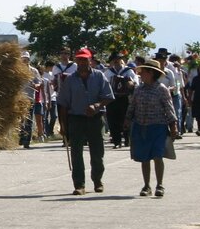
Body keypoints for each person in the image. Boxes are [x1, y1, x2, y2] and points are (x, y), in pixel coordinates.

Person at [57, 48, 114, 195]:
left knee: (97, 153)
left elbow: (108, 96)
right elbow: (63, 104)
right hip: (76, 119)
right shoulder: (70, 79)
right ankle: (79, 185)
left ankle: (97, 180)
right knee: (76, 153)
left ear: (90, 60)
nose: (82, 62)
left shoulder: (99, 76)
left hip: (95, 119)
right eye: (79, 59)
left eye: (85, 59)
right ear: (76, 61)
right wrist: (63, 126)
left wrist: (97, 105)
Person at [124, 59, 177, 197]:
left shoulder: (162, 89)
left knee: (158, 156)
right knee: (144, 158)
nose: (141, 74)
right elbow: (132, 106)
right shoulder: (138, 90)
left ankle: (159, 185)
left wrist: (173, 127)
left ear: (152, 73)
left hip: (158, 127)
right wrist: (127, 120)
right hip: (141, 127)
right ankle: (146, 186)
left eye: (144, 72)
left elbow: (169, 109)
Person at [104, 52, 136, 149]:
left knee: (126, 118)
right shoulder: (108, 72)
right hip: (112, 99)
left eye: (119, 59)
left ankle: (127, 139)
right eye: (115, 60)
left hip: (125, 98)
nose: (117, 61)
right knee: (112, 120)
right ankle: (117, 141)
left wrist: (131, 83)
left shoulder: (128, 71)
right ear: (112, 62)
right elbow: (104, 84)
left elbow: (136, 82)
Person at [19, 52, 41, 148]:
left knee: (28, 119)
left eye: (26, 59)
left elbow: (39, 82)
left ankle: (27, 140)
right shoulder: (17, 70)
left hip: (29, 97)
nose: (24, 60)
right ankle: (21, 137)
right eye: (23, 59)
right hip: (19, 98)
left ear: (28, 60)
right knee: (20, 119)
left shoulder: (33, 71)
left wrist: (36, 85)